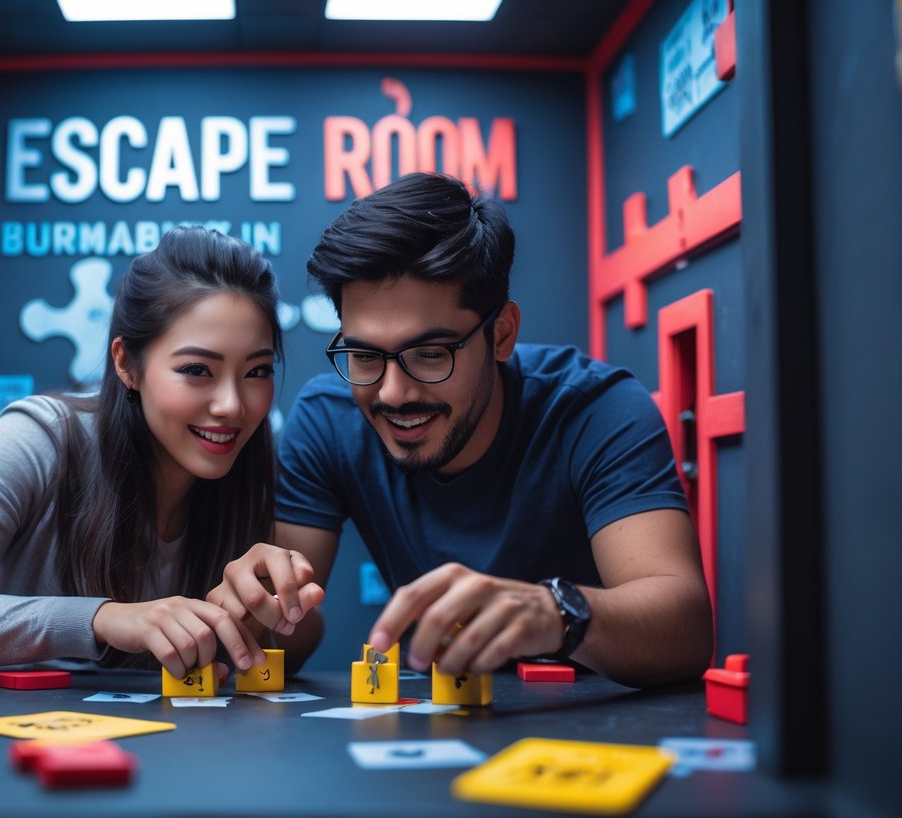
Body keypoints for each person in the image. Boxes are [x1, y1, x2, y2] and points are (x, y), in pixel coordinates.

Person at [208, 172, 713, 688]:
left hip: (596, 719)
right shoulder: (328, 419)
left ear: (502, 334)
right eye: (364, 356)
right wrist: (260, 610)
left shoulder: (597, 410)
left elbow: (686, 628)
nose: (393, 393)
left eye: (430, 354)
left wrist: (554, 612)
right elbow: (289, 632)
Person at [0, 226, 323, 679]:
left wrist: (273, 607)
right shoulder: (42, 436)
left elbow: (292, 651)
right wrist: (103, 618)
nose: (232, 406)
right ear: (126, 363)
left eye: (257, 371)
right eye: (197, 369)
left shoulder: (245, 467)